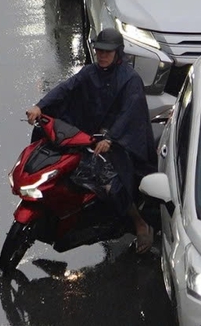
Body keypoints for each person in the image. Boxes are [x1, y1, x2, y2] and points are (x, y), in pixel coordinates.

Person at [27, 27, 155, 251]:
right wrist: (40, 106)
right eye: (99, 51)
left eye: (107, 52)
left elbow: (129, 114)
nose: (102, 55)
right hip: (88, 137)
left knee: (113, 184)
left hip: (118, 143)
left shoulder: (130, 80)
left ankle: (139, 223)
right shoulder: (89, 73)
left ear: (118, 53)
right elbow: (66, 89)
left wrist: (111, 139)